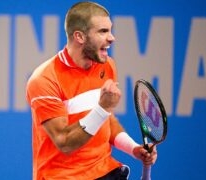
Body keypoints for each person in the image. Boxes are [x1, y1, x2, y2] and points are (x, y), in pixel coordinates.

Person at [26, 1, 158, 179]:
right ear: (79, 36)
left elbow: (106, 122)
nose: (112, 38)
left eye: (110, 30)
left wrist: (134, 148)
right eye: (103, 31)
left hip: (105, 170)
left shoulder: (107, 66)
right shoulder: (44, 79)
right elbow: (64, 143)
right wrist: (102, 108)